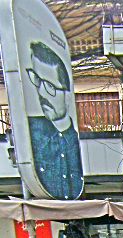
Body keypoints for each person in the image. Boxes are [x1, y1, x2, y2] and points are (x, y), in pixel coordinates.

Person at [26, 41, 83, 200]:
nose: (42, 93)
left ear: (67, 96)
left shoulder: (74, 141)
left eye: (50, 86)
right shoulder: (32, 131)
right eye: (38, 80)